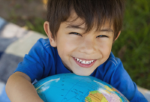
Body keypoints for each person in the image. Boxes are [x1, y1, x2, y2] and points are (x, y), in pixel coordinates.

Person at [6, 0, 148, 102]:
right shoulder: (45, 53)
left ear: (114, 38)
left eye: (102, 35)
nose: (88, 48)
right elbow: (16, 80)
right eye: (76, 33)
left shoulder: (112, 71)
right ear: (52, 34)